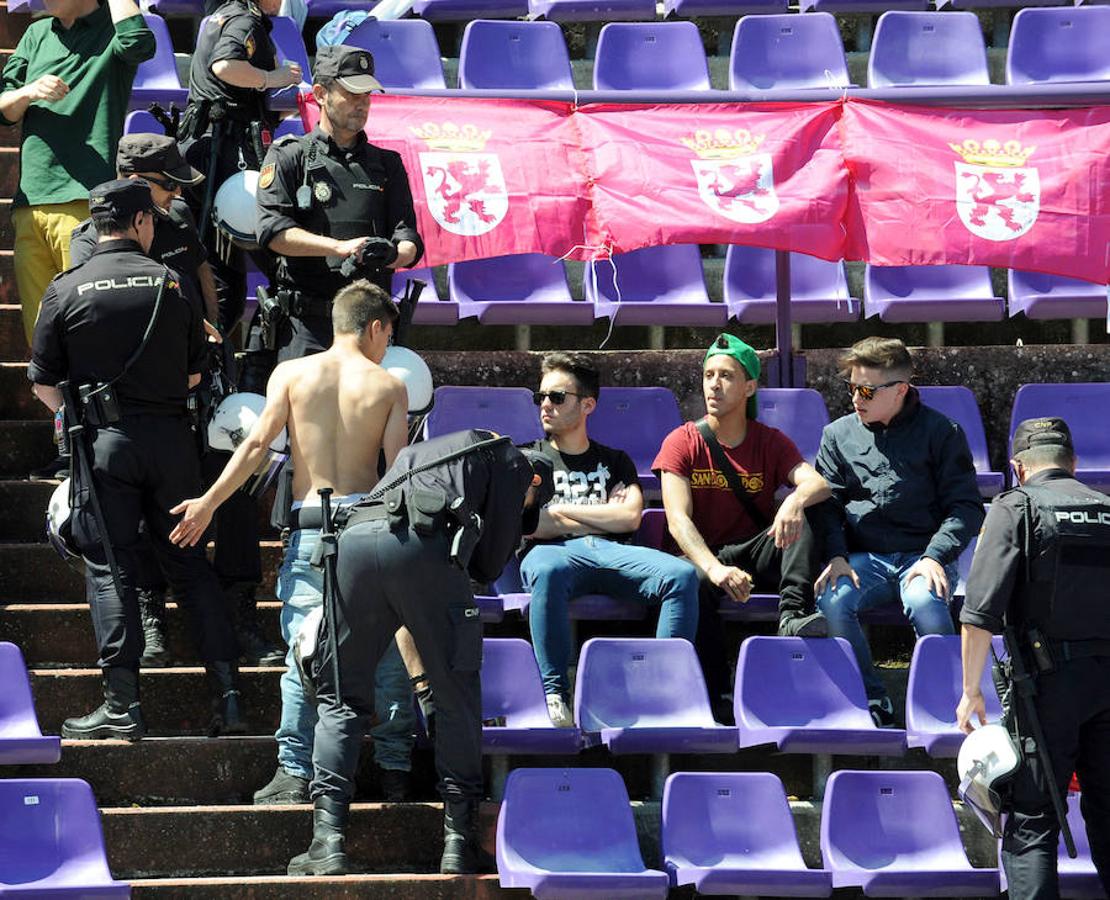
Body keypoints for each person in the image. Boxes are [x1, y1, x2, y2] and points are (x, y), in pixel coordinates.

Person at [168, 280, 418, 805]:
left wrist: (209, 502)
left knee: (302, 652)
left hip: (311, 525)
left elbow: (257, 444)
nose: (387, 346)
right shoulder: (390, 387)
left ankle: (292, 770)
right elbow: (394, 475)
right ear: (374, 327)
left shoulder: (291, 373)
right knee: (388, 654)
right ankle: (395, 769)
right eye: (388, 336)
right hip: (367, 529)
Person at [27, 179, 246, 740]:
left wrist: (80, 414)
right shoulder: (173, 283)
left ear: (97, 227)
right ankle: (229, 700)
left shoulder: (66, 287)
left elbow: (43, 382)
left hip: (103, 444)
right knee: (191, 566)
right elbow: (199, 371)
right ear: (143, 222)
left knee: (110, 569)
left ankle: (122, 707)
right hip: (172, 441)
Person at [283, 431, 553, 877]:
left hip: (350, 541)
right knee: (456, 699)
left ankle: (326, 841)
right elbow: (488, 565)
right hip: (420, 544)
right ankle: (458, 844)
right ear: (537, 483)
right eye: (528, 505)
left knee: (341, 697)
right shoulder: (514, 462)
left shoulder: (427, 451)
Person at [70, 133, 280, 667]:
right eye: (166, 186)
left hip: (200, 383)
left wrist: (214, 333)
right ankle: (150, 609)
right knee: (140, 508)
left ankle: (240, 608)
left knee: (230, 488)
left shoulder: (181, 220)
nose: (174, 196)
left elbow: (204, 279)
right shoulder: (89, 238)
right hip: (141, 400)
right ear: (139, 187)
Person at [957, 417, 1110, 899]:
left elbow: (979, 613)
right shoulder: (1107, 509)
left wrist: (970, 692)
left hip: (1048, 690)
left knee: (1032, 819)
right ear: (1073, 464)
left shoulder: (1014, 507)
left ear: (1018, 467)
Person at [653, 334, 831, 719]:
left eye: (727, 376)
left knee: (808, 512)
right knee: (693, 581)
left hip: (753, 550)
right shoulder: (682, 441)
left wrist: (794, 501)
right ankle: (714, 695)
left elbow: (817, 482)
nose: (714, 384)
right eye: (708, 375)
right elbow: (676, 519)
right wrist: (715, 570)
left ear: (749, 386)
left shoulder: (769, 441)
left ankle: (794, 615)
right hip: (703, 557)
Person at [520, 352, 700, 728]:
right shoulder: (527, 459)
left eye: (557, 397)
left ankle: (664, 696)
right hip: (551, 554)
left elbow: (629, 516)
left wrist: (564, 514)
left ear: (587, 405)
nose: (545, 406)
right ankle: (554, 694)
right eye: (541, 397)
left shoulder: (614, 459)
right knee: (549, 572)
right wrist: (599, 517)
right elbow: (531, 524)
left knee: (681, 577)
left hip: (614, 553)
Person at [813, 337, 984, 727]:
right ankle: (870, 699)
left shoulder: (942, 432)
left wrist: (934, 556)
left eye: (867, 389)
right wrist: (836, 555)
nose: (856, 397)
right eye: (852, 387)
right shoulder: (837, 435)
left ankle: (945, 702)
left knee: (926, 600)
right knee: (833, 600)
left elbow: (966, 506)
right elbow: (827, 507)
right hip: (863, 558)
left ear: (900, 390)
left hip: (923, 556)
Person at [253, 44, 422, 366]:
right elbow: (273, 232)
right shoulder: (290, 156)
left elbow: (408, 238)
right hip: (307, 325)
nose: (362, 104)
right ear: (320, 94)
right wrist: (340, 247)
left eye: (368, 96)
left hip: (369, 326)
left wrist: (390, 254)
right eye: (352, 94)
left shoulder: (387, 164)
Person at [0, 0, 155, 347]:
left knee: (91, 329)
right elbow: (3, 107)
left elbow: (139, 44)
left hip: (85, 204)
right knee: (41, 338)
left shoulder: (113, 29)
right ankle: (57, 404)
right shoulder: (36, 32)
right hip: (30, 203)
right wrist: (28, 91)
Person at [179, 0, 301, 335]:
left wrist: (274, 105)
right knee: (267, 267)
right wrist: (271, 77)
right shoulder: (246, 20)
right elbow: (225, 66)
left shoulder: (222, 16)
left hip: (206, 148)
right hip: (225, 152)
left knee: (219, 271)